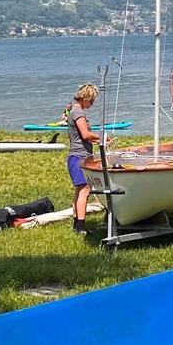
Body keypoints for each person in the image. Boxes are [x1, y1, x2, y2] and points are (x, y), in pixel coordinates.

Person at [63, 83, 102, 235]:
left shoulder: (74, 111)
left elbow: (82, 137)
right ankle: (81, 226)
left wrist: (96, 140)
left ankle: (76, 224)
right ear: (85, 98)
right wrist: (101, 136)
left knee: (79, 190)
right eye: (91, 101)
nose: (92, 104)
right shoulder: (78, 113)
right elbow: (85, 134)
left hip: (75, 155)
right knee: (85, 190)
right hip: (79, 156)